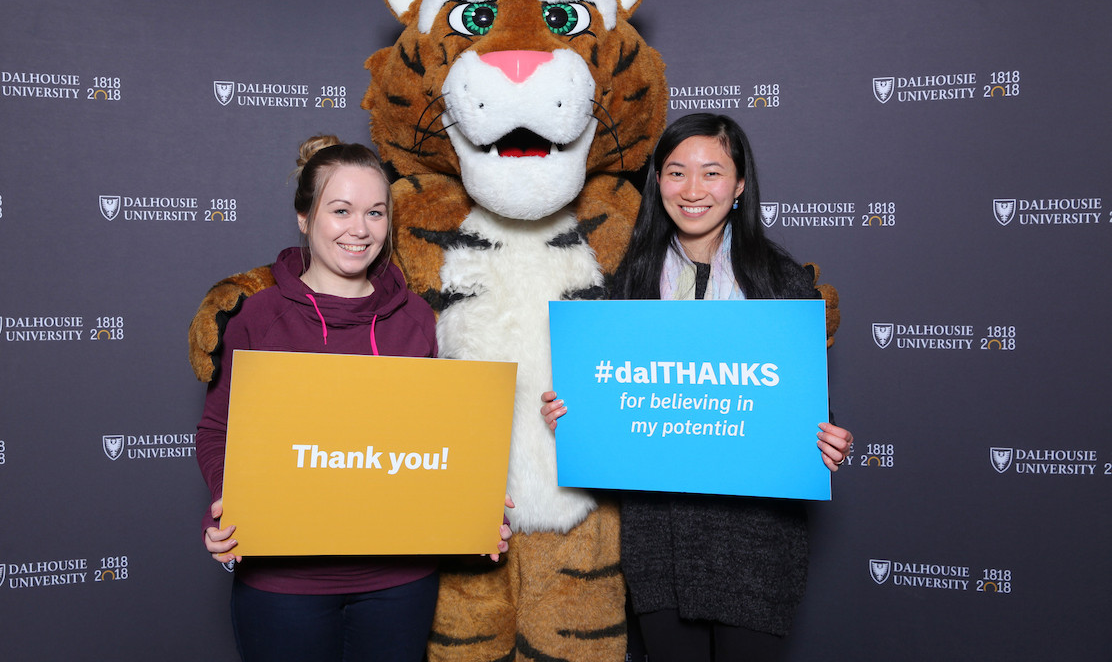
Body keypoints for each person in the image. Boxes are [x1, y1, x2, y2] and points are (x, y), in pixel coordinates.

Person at [541, 113, 853, 661]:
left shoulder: (786, 285)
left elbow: (797, 414)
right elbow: (616, 409)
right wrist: (575, 416)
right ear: (657, 182)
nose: (691, 190)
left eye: (711, 173)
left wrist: (826, 442)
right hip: (659, 545)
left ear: (738, 187)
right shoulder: (628, 287)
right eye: (675, 172)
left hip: (757, 546)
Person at [196, 136, 511, 662]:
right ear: (304, 217)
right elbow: (216, 431)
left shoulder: (415, 319)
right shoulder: (260, 316)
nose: (359, 229)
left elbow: (435, 440)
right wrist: (226, 503)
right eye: (340, 210)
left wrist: (471, 501)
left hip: (399, 583)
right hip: (283, 584)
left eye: (375, 213)